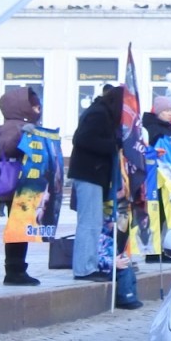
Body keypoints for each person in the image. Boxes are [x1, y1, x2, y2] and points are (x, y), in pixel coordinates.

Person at [68, 84, 125, 283]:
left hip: (94, 174)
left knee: (93, 222)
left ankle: (89, 265)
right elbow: (82, 138)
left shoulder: (102, 112)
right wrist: (113, 145)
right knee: (89, 223)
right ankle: (84, 269)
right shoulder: (99, 114)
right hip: (89, 173)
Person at [0, 85, 44, 285]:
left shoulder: (20, 125)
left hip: (24, 185)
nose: (37, 110)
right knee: (17, 228)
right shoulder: (12, 126)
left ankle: (17, 268)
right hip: (16, 185)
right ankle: (14, 270)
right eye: (34, 106)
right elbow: (7, 147)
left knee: (21, 227)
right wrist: (23, 134)